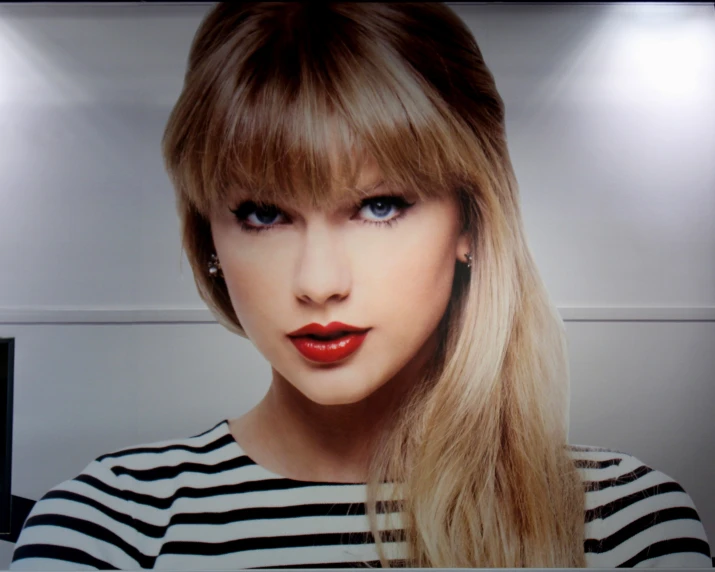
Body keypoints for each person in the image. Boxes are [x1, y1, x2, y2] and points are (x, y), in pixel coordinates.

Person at [9, 2, 712, 569]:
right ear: (209, 238)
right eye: (263, 213)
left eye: (379, 206)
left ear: (470, 221)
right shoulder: (108, 527)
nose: (318, 284)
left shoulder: (623, 525)